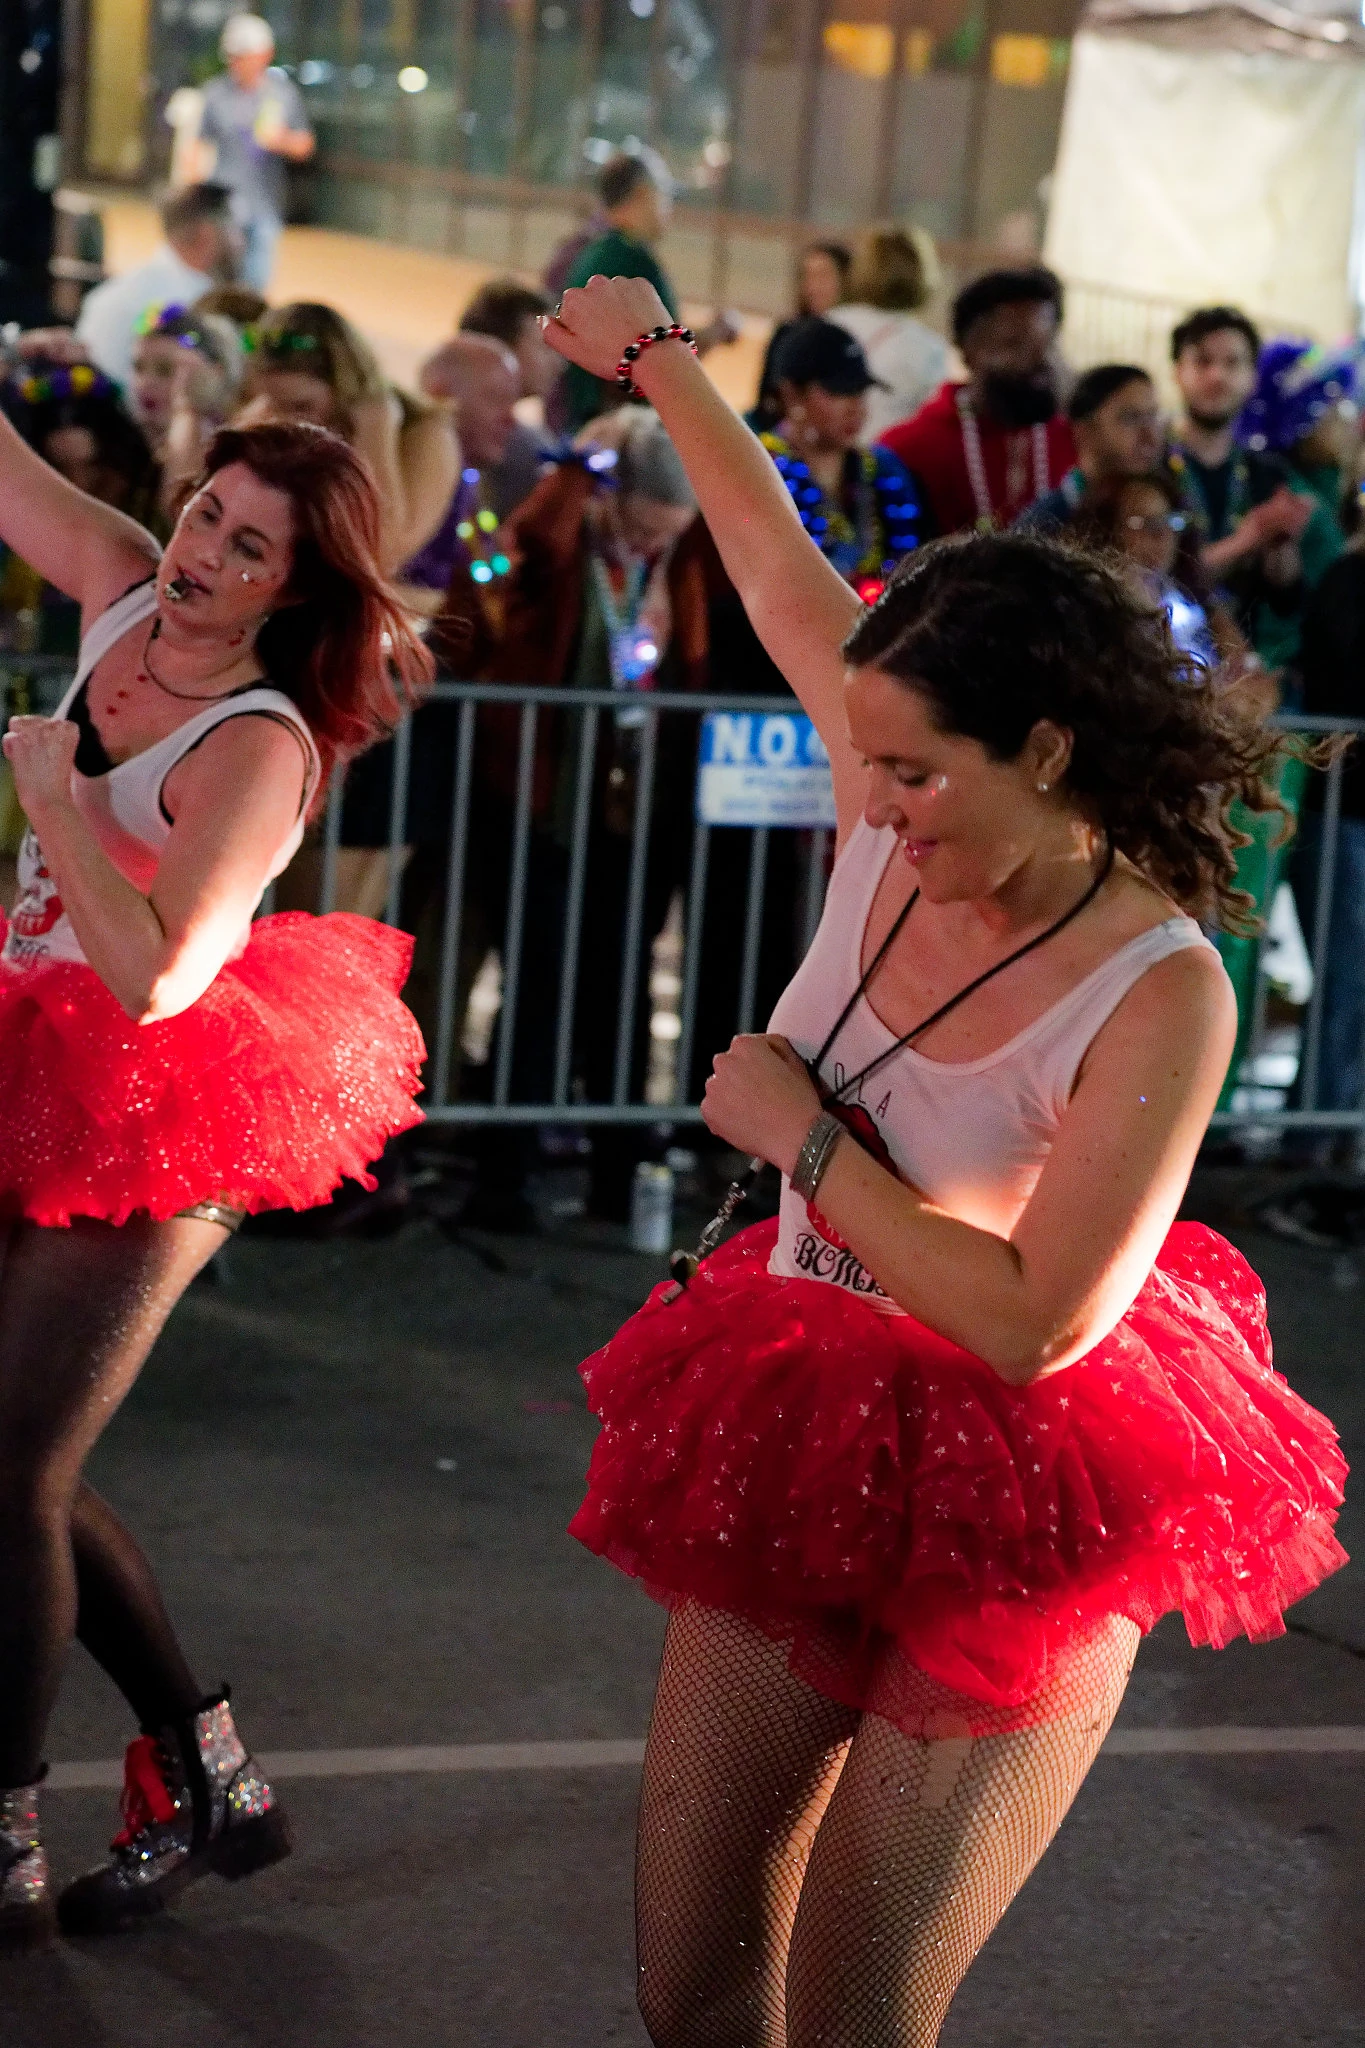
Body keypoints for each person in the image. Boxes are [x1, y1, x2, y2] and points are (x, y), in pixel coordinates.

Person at [540, 273, 1346, 2048]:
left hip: (1016, 1496)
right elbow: (772, 563)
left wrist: (802, 1140)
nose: (877, 803)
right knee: (691, 1985)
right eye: (867, 762)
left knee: (859, 2015)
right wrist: (662, 362)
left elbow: (1035, 1321)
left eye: (913, 775)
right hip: (802, 1404)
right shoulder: (887, 782)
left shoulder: (1162, 986)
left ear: (1044, 751)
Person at [0, 414, 431, 1950]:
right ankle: (209, 1777)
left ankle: (5, 1836)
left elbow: (160, 981)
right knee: (17, 1464)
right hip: (29, 1058)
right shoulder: (122, 584)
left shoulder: (259, 744)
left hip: (160, 1103)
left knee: (9, 1470)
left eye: (249, 547)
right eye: (204, 513)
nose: (200, 554)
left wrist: (55, 798)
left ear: (290, 591)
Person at [1168, 307, 1341, 674]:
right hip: (1162, 662)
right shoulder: (1150, 468)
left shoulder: (1269, 474)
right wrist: (1251, 536)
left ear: (1252, 378)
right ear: (1177, 372)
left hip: (1246, 672)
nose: (1217, 376)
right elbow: (1155, 579)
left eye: (1233, 363)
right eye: (1203, 361)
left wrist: (1282, 546)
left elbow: (1285, 599)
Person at [239, 301, 458, 578]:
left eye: (302, 407)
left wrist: (375, 433)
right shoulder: (267, 418)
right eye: (272, 404)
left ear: (346, 390)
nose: (286, 423)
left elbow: (381, 553)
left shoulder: (424, 433)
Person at [879, 266, 1075, 534]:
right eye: (1016, 345)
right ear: (968, 352)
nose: (1043, 361)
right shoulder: (908, 449)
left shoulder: (1077, 443)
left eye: (1049, 344)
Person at [559, 153, 736, 431]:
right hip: (615, 429)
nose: (669, 207)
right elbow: (665, 359)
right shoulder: (632, 262)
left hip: (588, 424)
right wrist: (717, 331)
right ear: (643, 194)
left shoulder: (598, 251)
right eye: (665, 195)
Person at [759, 318, 927, 601]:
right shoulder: (760, 468)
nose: (856, 408)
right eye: (839, 391)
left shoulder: (885, 469)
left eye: (861, 390)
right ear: (791, 394)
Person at [1072, 469, 1249, 679]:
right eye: (1145, 523)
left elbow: (1246, 670)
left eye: (1170, 521)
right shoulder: (1092, 612)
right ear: (1107, 530)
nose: (1162, 534)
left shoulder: (1197, 599)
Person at [75, 184, 244, 391]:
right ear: (206, 234)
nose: (242, 242)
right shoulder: (180, 304)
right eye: (238, 230)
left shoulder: (115, 293)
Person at [195, 13, 315, 291]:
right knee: (219, 282)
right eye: (234, 56)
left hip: (265, 204)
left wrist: (282, 140)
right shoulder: (216, 93)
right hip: (224, 203)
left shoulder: (283, 95)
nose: (238, 63)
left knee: (256, 284)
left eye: (244, 56)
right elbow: (198, 144)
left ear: (265, 55)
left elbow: (305, 146)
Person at [828, 227, 948, 444]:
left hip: (831, 454)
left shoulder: (830, 324)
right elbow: (932, 422)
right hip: (890, 456)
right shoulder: (929, 348)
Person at [1015, 362, 1164, 536]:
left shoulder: (1171, 511)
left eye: (1153, 416)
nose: (1149, 436)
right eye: (1130, 418)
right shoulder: (1042, 527)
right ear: (1084, 430)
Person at [752, 240, 853, 430]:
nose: (813, 286)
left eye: (823, 276)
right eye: (807, 276)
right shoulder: (788, 333)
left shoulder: (855, 337)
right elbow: (766, 399)